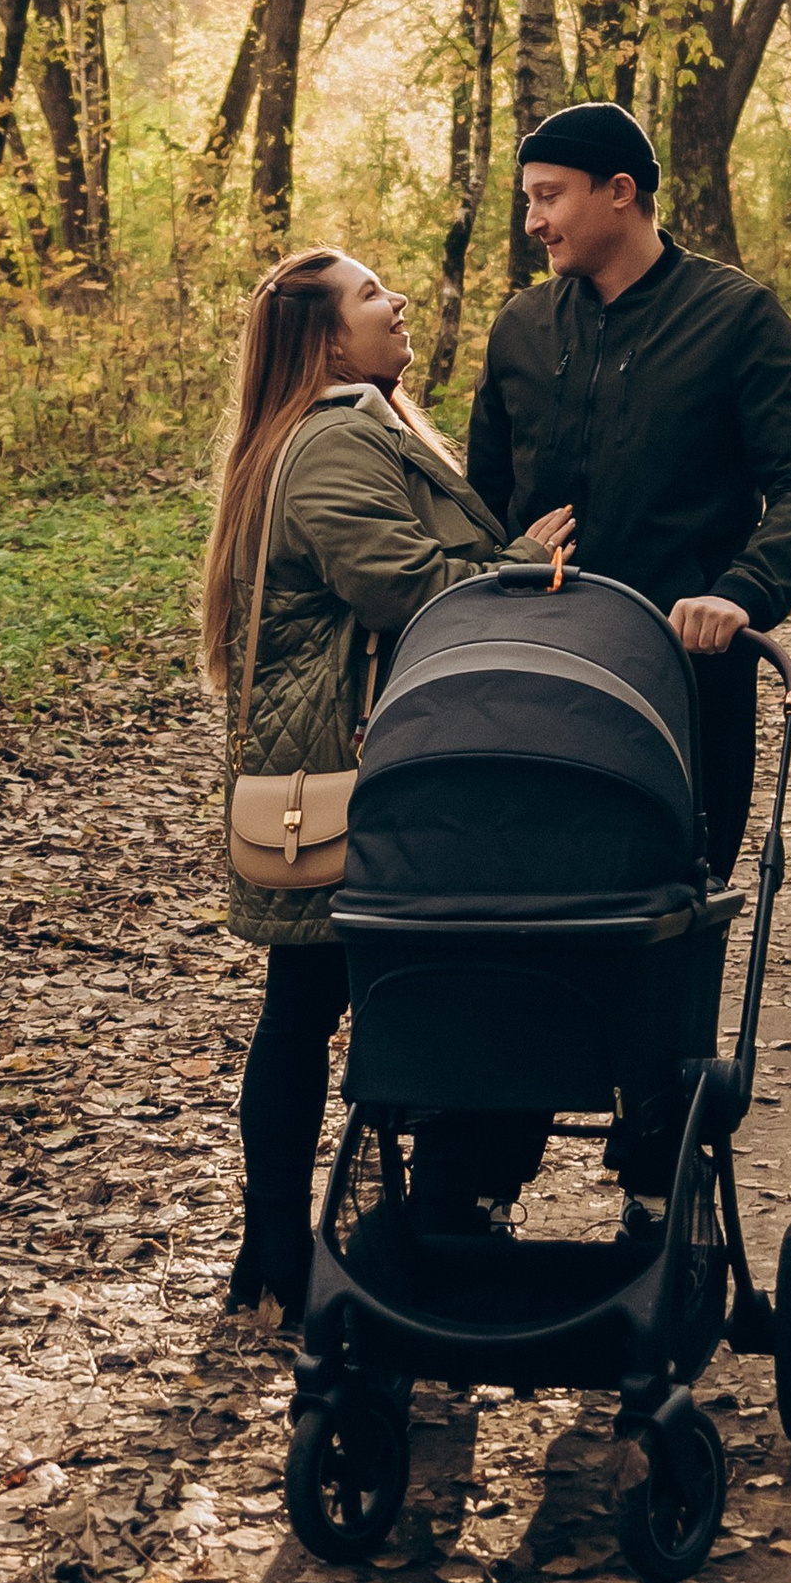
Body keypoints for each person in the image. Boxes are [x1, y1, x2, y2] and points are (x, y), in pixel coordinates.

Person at [467, 102, 791, 1230]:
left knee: (660, 929)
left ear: (619, 193)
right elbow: (486, 506)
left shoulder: (733, 318)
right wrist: (502, 558)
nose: (534, 219)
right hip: (527, 691)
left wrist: (739, 593)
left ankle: (655, 1188)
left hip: (682, 696)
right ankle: (481, 1184)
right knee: (509, 925)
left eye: (550, 195)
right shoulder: (521, 330)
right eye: (529, 196)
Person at [202, 247, 570, 1327]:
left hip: (349, 752)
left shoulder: (357, 424)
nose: (395, 300)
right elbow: (401, 584)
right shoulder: (328, 442)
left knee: (310, 1001)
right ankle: (298, 1244)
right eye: (371, 295)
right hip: (350, 761)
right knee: (320, 1000)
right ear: (324, 339)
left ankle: (286, 1245)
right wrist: (524, 570)